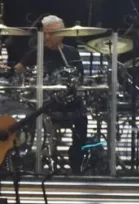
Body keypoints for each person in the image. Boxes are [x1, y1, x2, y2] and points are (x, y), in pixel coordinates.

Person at [14, 15, 88, 173]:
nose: (47, 37)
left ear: (62, 33)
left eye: (52, 33)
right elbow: (17, 71)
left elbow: (80, 79)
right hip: (42, 104)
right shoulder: (36, 53)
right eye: (45, 33)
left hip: (68, 103)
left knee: (82, 117)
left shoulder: (71, 53)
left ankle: (76, 161)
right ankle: (27, 158)